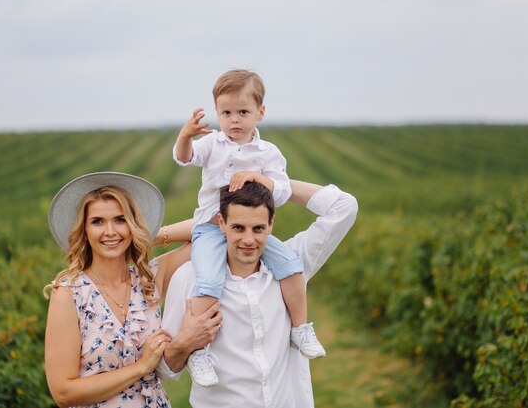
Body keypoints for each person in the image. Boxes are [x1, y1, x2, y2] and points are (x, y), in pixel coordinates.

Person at [172, 69, 324, 386]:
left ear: (260, 113)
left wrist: (259, 178)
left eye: (243, 112)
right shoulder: (212, 143)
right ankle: (198, 352)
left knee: (291, 266)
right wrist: (186, 136)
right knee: (209, 278)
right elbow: (186, 158)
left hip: (251, 230)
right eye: (226, 113)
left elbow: (281, 191)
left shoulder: (268, 153)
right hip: (213, 228)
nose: (235, 120)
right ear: (217, 114)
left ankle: (300, 329)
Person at [157, 180, 358, 408]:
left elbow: (344, 206)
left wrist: (272, 182)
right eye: (238, 228)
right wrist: (185, 343)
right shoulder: (188, 279)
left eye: (259, 228)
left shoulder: (291, 266)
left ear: (271, 224)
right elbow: (165, 371)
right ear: (221, 223)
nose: (249, 240)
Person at [43, 172, 221, 408]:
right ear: (84, 231)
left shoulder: (149, 279)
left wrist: (149, 236)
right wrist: (141, 367)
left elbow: (215, 228)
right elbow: (64, 393)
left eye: (120, 220)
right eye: (97, 222)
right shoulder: (68, 295)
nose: (110, 231)